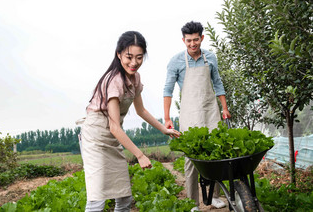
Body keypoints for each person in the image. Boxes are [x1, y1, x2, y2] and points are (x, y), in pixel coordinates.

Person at [77, 31, 180, 212]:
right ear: (119, 54)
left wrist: (164, 129)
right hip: (96, 137)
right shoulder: (114, 81)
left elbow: (141, 110)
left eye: (139, 58)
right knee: (97, 198)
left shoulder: (134, 78)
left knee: (124, 196)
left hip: (112, 136)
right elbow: (115, 126)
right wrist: (139, 155)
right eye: (129, 57)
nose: (134, 63)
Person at [163, 21, 231, 211]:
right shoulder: (176, 61)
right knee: (191, 158)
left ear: (202, 38)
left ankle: (215, 196)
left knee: (216, 153)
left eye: (196, 40)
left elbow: (217, 83)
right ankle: (193, 203)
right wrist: (167, 117)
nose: (192, 44)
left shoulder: (210, 58)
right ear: (183, 40)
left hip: (210, 111)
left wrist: (224, 108)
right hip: (190, 114)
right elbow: (167, 90)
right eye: (188, 41)